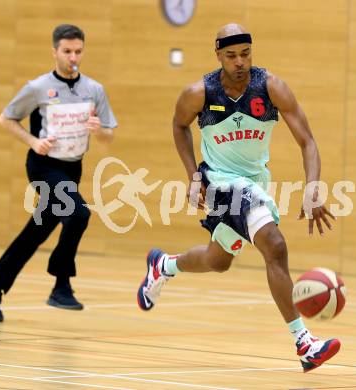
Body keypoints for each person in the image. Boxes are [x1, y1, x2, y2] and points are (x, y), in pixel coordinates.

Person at [137, 23, 339, 373]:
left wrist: (313, 186)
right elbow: (178, 125)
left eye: (245, 54)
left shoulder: (271, 87)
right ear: (218, 56)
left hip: (254, 182)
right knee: (274, 245)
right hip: (220, 182)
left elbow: (308, 141)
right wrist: (192, 175)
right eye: (231, 56)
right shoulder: (199, 92)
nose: (239, 62)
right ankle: (304, 342)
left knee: (218, 260)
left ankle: (163, 265)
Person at [0, 24, 117, 322]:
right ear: (55, 52)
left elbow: (109, 135)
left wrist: (99, 130)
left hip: (71, 167)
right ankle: (61, 284)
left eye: (78, 51)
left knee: (37, 230)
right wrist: (32, 141)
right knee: (78, 214)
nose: (73, 57)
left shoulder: (94, 89)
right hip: (43, 166)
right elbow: (6, 118)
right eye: (67, 51)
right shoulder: (38, 87)